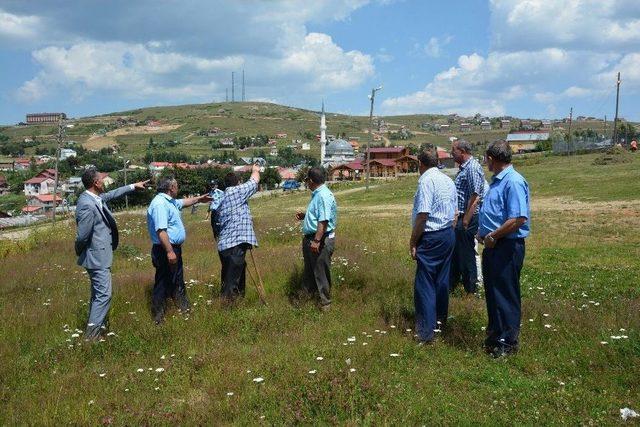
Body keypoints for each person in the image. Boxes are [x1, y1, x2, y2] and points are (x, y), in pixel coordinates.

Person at [74, 167, 148, 339]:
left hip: (99, 255)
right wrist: (80, 250)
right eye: (102, 179)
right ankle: (91, 338)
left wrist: (132, 186)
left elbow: (112, 194)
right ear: (96, 183)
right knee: (104, 295)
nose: (104, 182)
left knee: (97, 295)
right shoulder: (86, 203)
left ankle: (96, 329)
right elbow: (82, 235)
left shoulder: (96, 198)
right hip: (96, 256)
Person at [477, 140, 530, 358]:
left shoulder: (513, 182)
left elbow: (518, 218)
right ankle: (495, 337)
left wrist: (492, 235)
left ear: (491, 158)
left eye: (485, 158)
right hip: (493, 245)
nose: (485, 162)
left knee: (505, 295)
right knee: (493, 293)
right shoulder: (497, 182)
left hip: (506, 246)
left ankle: (507, 344)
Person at [147, 176, 211, 323]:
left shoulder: (169, 201)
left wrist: (200, 199)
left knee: (176, 281)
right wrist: (169, 251)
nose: (178, 188)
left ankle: (185, 310)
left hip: (172, 248)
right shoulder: (160, 204)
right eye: (177, 186)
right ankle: (158, 318)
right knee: (163, 283)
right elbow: (161, 231)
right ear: (171, 188)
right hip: (165, 249)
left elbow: (183, 202)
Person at [409, 150, 457, 344]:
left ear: (420, 163)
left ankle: (426, 332)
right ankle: (440, 321)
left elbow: (423, 215)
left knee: (425, 283)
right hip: (447, 234)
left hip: (431, 235)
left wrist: (414, 241)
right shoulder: (447, 180)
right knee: (442, 281)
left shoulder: (426, 181)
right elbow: (455, 213)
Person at [216, 165, 261, 301]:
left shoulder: (223, 197)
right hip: (234, 243)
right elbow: (254, 181)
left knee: (232, 277)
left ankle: (237, 305)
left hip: (226, 244)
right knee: (232, 283)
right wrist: (255, 169)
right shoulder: (235, 192)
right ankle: (229, 308)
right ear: (237, 183)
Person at [296, 167, 337, 311]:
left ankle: (325, 304)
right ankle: (307, 300)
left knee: (320, 272)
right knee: (310, 272)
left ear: (311, 181)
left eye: (307, 181)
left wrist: (317, 240)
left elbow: (324, 220)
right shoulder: (317, 194)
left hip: (320, 240)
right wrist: (306, 215)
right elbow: (318, 214)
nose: (307, 184)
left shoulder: (323, 195)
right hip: (312, 238)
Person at [449, 139, 485, 295]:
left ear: (462, 151)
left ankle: (471, 289)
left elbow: (475, 196)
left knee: (467, 254)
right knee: (458, 253)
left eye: (453, 150)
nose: (451, 153)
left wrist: (465, 220)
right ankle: (456, 285)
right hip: (463, 217)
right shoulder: (464, 168)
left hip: (468, 219)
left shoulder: (472, 168)